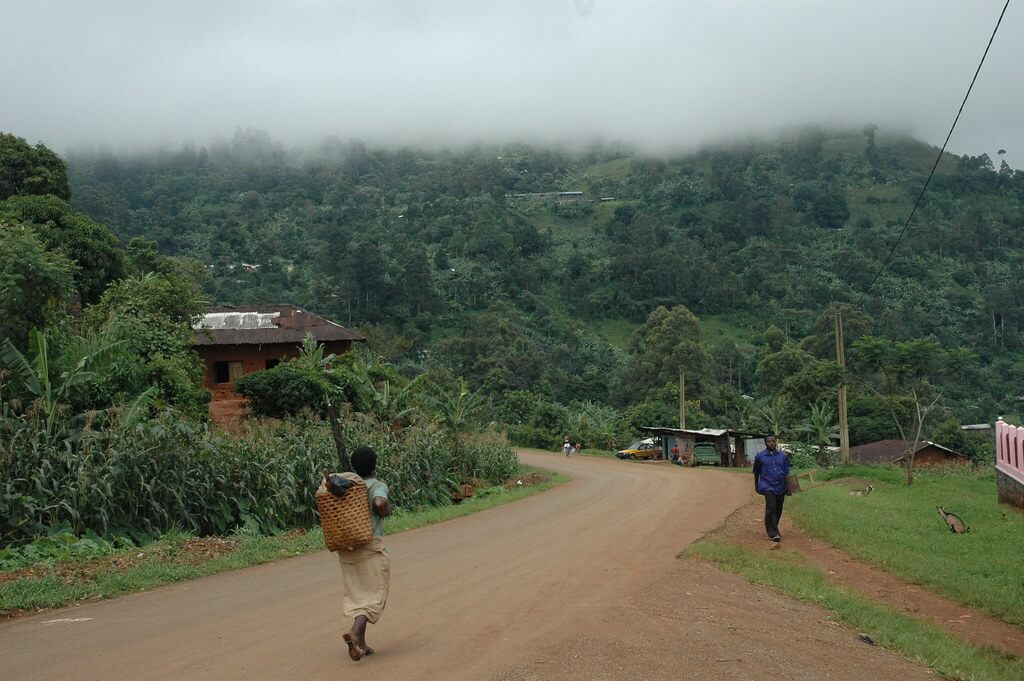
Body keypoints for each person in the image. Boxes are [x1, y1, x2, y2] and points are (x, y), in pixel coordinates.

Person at [339, 446, 392, 662]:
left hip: (346, 549)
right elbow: (379, 502)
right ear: (374, 465)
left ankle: (360, 643)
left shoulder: (347, 486)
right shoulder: (377, 485)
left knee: (359, 593)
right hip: (369, 547)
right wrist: (385, 509)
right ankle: (354, 631)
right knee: (375, 594)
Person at [752, 435, 789, 542]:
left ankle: (774, 527)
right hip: (767, 485)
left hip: (781, 485)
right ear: (765, 443)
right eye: (769, 441)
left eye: (773, 441)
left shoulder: (782, 456)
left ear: (776, 442)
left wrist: (788, 487)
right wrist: (756, 485)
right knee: (771, 507)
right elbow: (756, 472)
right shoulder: (760, 456)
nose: (771, 443)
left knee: (778, 508)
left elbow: (786, 473)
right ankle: (773, 533)